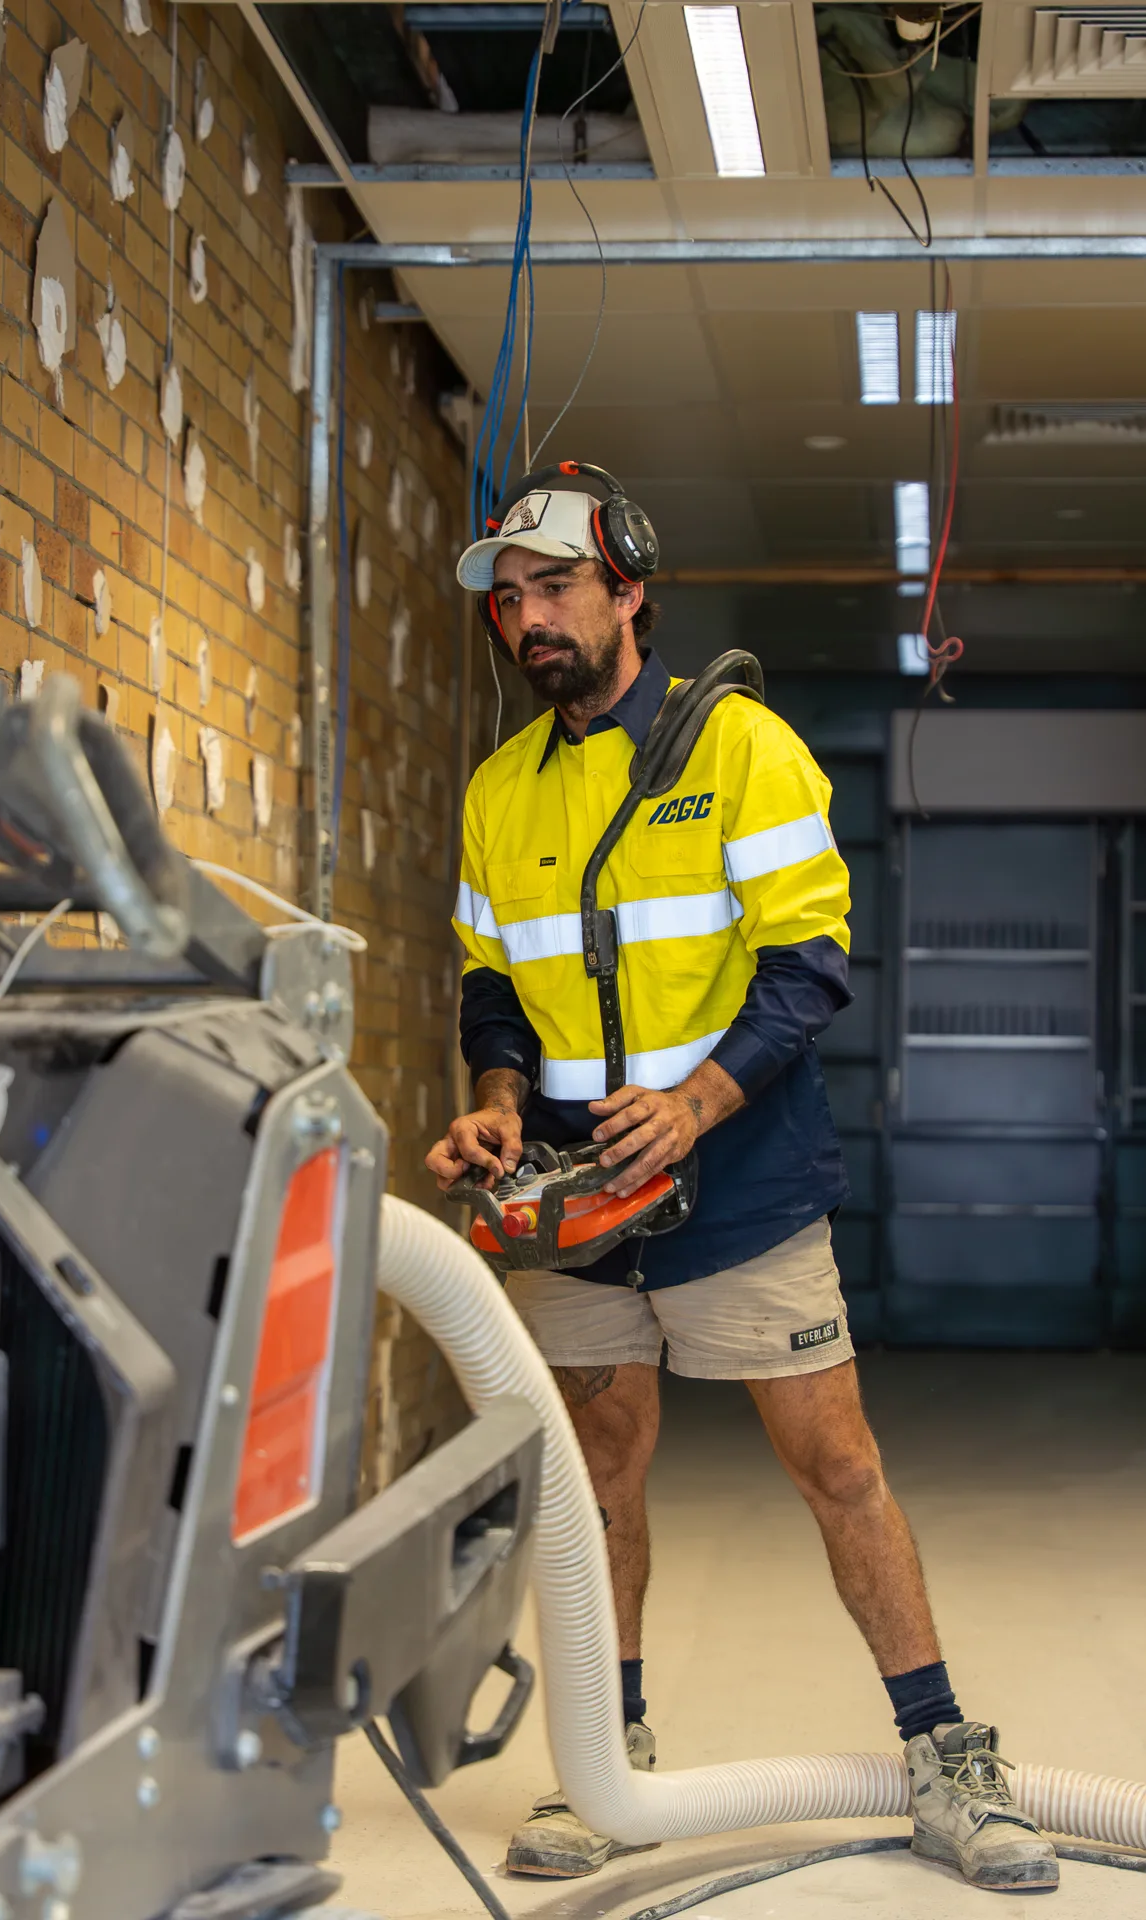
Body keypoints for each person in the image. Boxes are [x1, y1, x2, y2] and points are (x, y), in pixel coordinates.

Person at [425, 477, 1058, 1894]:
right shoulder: (497, 787)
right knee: (594, 1478)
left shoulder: (742, 747)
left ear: (628, 590)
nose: (529, 620)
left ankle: (946, 1760)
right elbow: (492, 986)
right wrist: (495, 1104)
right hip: (576, 1196)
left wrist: (698, 1103)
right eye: (508, 599)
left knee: (834, 1466)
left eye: (556, 590)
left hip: (741, 1175)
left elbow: (805, 965)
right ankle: (610, 1759)